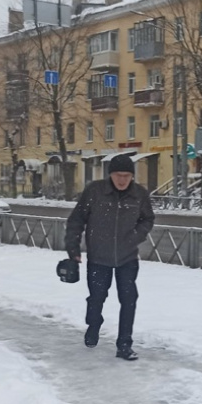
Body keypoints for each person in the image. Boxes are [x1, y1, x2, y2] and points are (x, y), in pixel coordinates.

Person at [65, 155, 155, 361]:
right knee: (97, 298)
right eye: (118, 175)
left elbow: (148, 219)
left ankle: (124, 345)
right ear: (110, 175)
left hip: (127, 258)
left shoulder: (139, 195)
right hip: (98, 257)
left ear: (132, 176)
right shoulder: (95, 192)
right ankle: (94, 324)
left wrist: (136, 236)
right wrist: (73, 249)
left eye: (127, 176)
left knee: (129, 299)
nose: (122, 180)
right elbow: (76, 220)